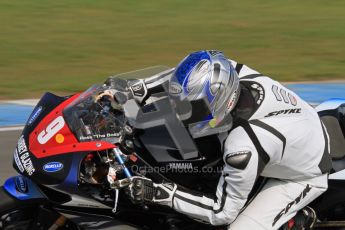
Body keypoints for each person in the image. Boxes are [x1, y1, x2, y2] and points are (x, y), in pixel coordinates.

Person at [116, 50, 332, 230]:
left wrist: (161, 194)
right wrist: (138, 88)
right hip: (301, 127)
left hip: (303, 174)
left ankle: (293, 221)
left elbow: (221, 212)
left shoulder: (242, 147)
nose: (178, 111)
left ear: (219, 101)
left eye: (190, 106)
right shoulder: (228, 71)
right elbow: (180, 77)